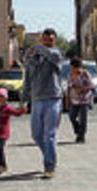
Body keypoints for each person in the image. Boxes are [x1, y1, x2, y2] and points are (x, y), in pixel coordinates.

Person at [22, 28, 64, 179]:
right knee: (36, 134)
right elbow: (27, 79)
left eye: (50, 40)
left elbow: (51, 55)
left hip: (53, 98)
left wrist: (38, 48)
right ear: (41, 39)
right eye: (45, 40)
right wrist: (23, 100)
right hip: (36, 99)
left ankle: (49, 166)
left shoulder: (56, 54)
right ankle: (50, 155)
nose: (48, 42)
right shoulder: (34, 58)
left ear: (54, 41)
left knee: (49, 134)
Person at [65, 57, 93, 143]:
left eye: (74, 67)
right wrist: (67, 101)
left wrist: (82, 89)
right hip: (74, 100)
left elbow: (91, 86)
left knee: (83, 119)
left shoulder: (85, 74)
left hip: (84, 100)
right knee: (72, 116)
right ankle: (77, 129)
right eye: (72, 67)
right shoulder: (70, 75)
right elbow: (68, 88)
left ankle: (81, 136)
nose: (72, 69)